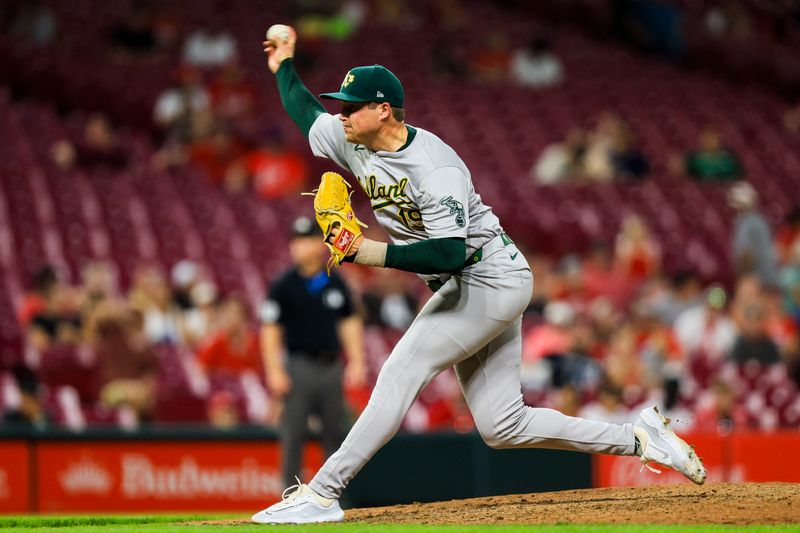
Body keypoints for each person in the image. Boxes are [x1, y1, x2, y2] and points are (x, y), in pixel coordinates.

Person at [253, 26, 706, 525]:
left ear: (383, 110)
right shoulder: (351, 138)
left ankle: (322, 493)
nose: (341, 113)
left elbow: (448, 253)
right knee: (502, 425)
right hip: (468, 283)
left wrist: (367, 253)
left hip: (490, 277)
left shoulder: (434, 166)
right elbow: (305, 113)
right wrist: (285, 67)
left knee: (402, 371)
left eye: (351, 105)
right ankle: (641, 438)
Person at [260, 216, 367, 489]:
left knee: (335, 434)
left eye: (306, 240)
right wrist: (274, 370)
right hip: (298, 367)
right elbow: (270, 330)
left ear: (318, 245)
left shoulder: (334, 281)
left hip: (331, 367)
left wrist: (356, 360)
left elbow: (349, 322)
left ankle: (333, 496)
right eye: (295, 241)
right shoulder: (283, 285)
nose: (300, 247)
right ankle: (289, 495)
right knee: (293, 434)